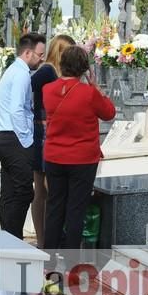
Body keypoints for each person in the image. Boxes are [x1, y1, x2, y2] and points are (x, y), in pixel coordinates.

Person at [43, 46, 116, 250]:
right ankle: (71, 262)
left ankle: (49, 257)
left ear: (61, 65)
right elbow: (109, 113)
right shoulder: (89, 93)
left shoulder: (47, 90)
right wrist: (97, 88)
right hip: (82, 159)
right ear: (84, 68)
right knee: (76, 210)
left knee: (54, 207)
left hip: (54, 156)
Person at [0, 33, 46, 240]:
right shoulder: (22, 74)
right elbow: (17, 109)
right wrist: (27, 141)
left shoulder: (13, 70)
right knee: (24, 192)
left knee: (9, 193)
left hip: (5, 137)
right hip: (16, 139)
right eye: (39, 55)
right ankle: (14, 239)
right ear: (27, 52)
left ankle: (6, 237)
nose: (42, 59)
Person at [30, 34, 76, 247]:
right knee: (44, 189)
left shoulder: (56, 72)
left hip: (49, 131)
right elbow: (32, 89)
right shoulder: (47, 71)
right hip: (44, 133)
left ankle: (46, 239)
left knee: (45, 190)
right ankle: (44, 239)